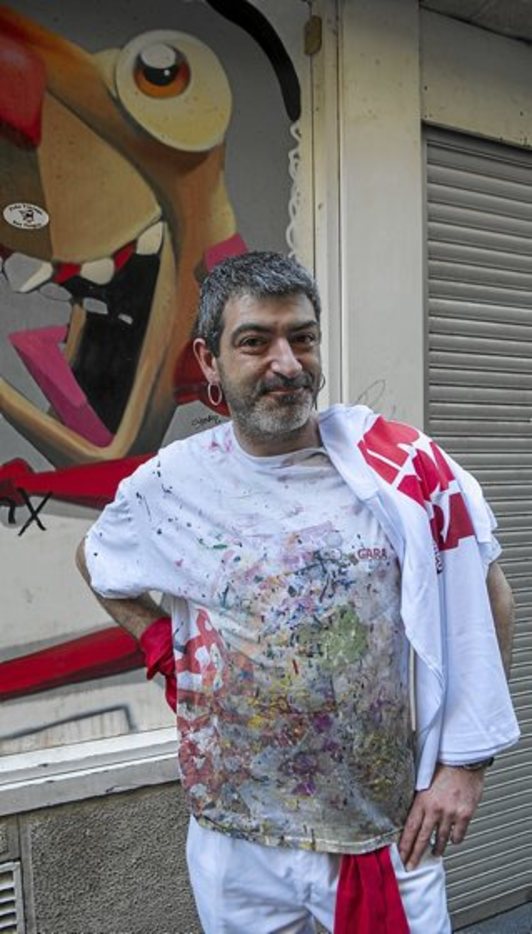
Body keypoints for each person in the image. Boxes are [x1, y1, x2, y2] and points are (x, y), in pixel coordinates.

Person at [77, 251, 519, 934]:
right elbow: (95, 558)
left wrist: (465, 766)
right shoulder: (170, 485)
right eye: (255, 342)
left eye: (302, 338)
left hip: (378, 834)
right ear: (209, 359)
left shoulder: (402, 469)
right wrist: (163, 646)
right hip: (234, 837)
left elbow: (490, 601)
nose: (286, 364)